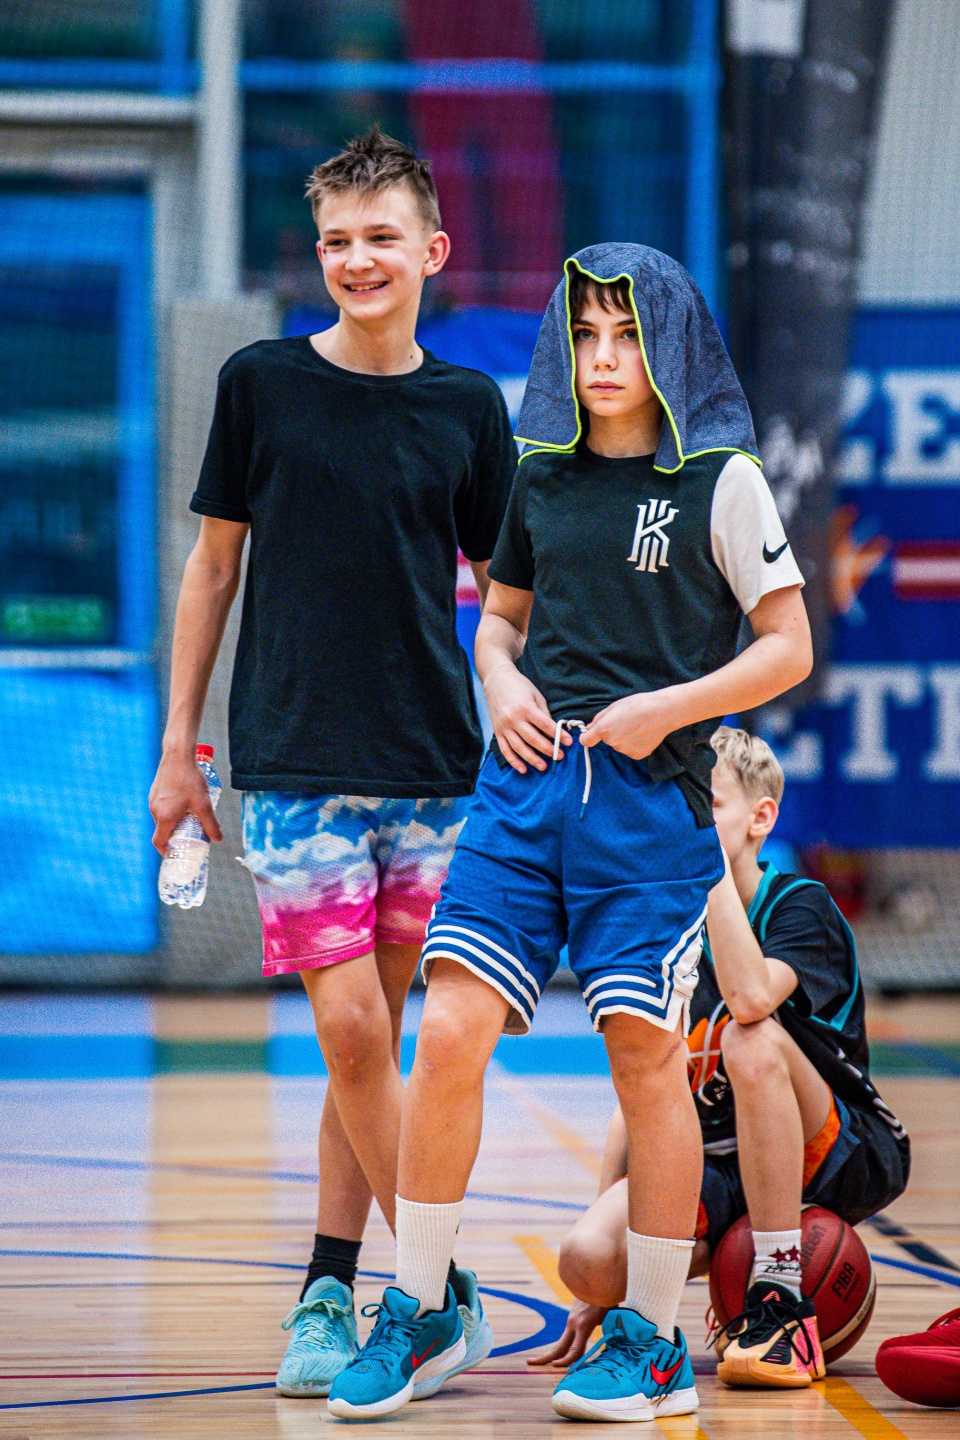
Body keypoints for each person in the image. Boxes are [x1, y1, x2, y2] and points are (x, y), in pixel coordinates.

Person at [327, 243, 813, 1423]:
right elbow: (500, 624)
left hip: (648, 803)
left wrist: (670, 710)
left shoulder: (726, 483)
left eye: (626, 335)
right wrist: (498, 681)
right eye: (585, 333)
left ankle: (650, 1340)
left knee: (644, 1055)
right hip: (524, 785)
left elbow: (789, 647)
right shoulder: (539, 475)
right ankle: (422, 1305)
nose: (602, 357)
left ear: (669, 345)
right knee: (449, 1029)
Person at [148, 128, 516, 1398]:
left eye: (380, 237)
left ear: (433, 250)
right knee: (351, 1029)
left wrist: (533, 705)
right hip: (293, 760)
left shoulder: (468, 409)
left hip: (436, 768)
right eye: (336, 241)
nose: (358, 259)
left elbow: (506, 599)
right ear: (319, 255)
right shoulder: (260, 382)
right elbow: (212, 571)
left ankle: (329, 1284)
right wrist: (179, 751)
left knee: (372, 1047)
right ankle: (436, 1287)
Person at [533, 727, 910, 1390]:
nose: (685, 818)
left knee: (748, 1037)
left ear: (760, 818)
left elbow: (750, 997)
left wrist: (701, 869)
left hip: (839, 1149)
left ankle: (781, 1297)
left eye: (702, 803)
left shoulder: (800, 906)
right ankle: (671, 1302)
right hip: (721, 1161)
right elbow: (639, 1097)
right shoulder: (663, 925)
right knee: (586, 1259)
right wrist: (609, 1289)